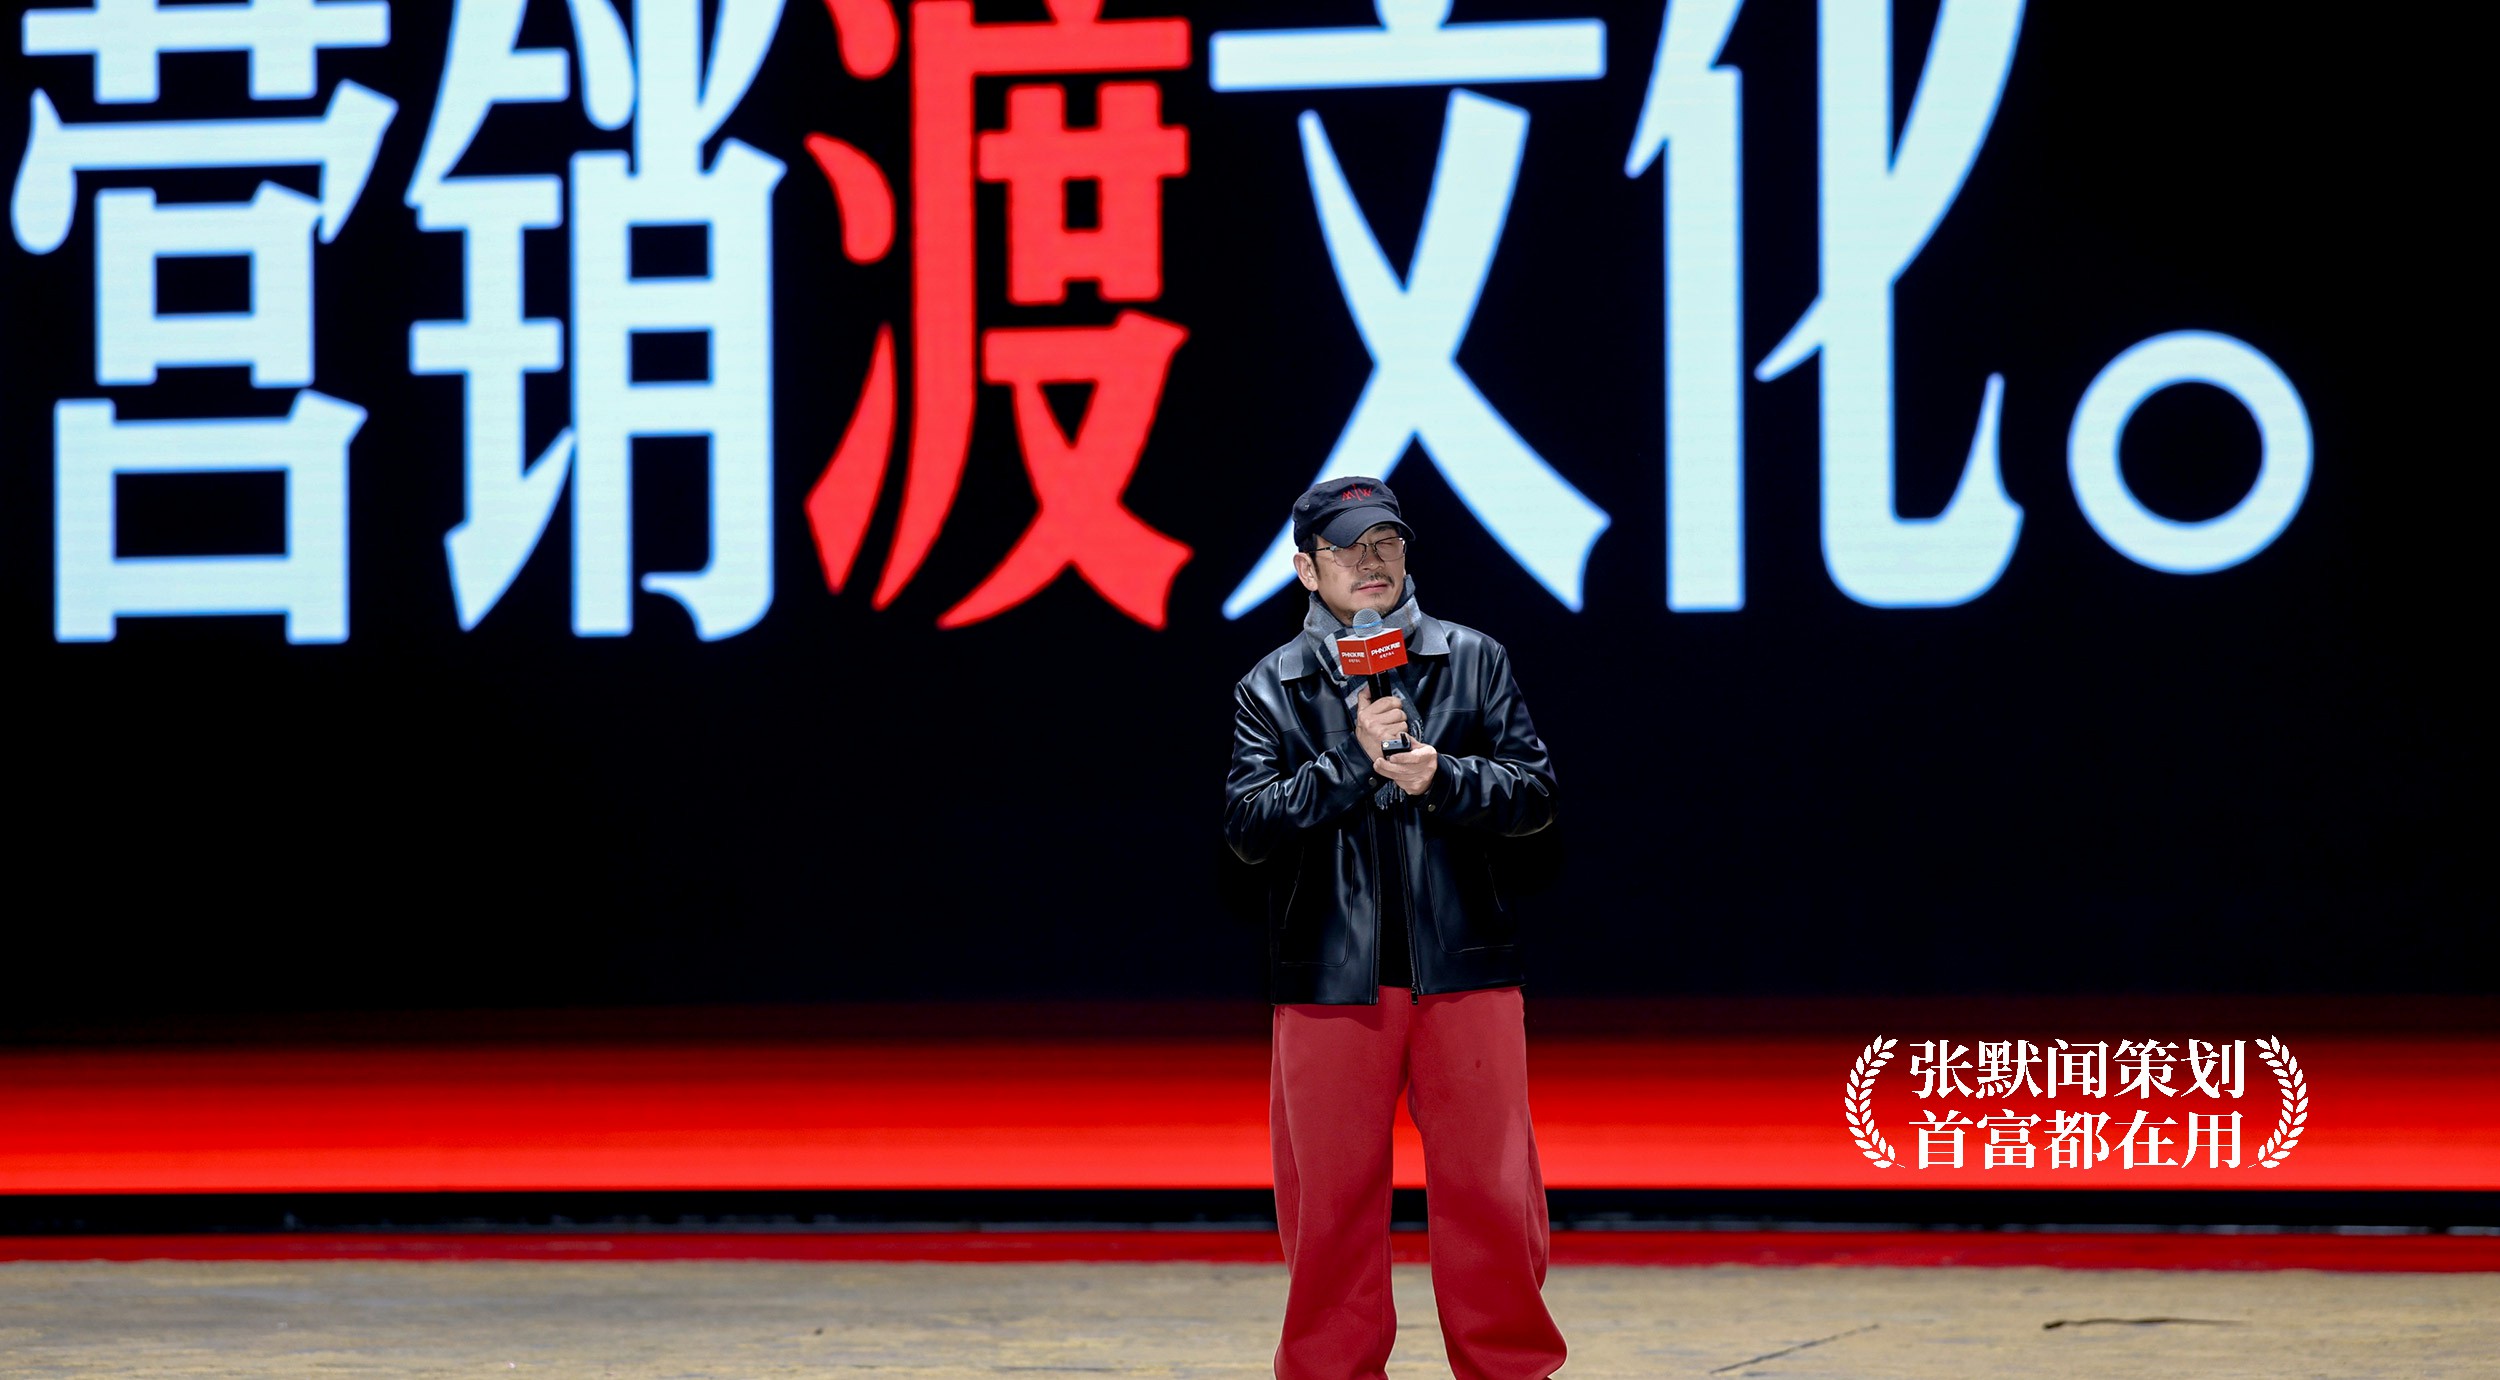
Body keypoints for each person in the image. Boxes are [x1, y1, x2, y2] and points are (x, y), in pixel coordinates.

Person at [1223, 476, 1567, 1380]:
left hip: (1466, 966)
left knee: (1491, 1192)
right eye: (1347, 548)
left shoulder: (1473, 659)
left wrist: (1443, 777)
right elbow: (1248, 827)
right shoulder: (1272, 684)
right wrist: (1352, 759)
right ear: (1307, 569)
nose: (1370, 562)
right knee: (1330, 1202)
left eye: (1386, 543)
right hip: (1332, 978)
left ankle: (1508, 1368)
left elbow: (1534, 795)